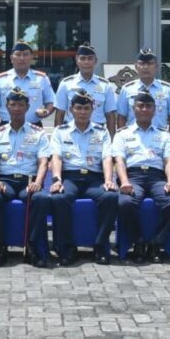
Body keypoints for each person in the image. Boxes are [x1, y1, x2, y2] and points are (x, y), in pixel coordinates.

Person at [0, 87, 52, 267]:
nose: (17, 108)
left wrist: (38, 183)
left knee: (41, 199)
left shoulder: (38, 133)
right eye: (13, 104)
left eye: (21, 105)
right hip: (5, 180)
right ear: (6, 107)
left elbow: (43, 162)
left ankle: (33, 246)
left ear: (27, 107)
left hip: (29, 181)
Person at [48, 89, 118, 265]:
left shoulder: (101, 132)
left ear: (92, 109)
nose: (82, 112)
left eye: (86, 108)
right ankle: (66, 247)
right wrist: (56, 180)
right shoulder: (60, 132)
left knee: (110, 196)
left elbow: (106, 158)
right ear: (71, 109)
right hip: (70, 177)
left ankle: (100, 246)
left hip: (94, 179)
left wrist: (109, 180)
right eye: (78, 108)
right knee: (60, 197)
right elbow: (56, 158)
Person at [112, 90, 170, 264]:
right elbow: (119, 161)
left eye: (148, 106)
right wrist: (125, 181)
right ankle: (138, 241)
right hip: (133, 176)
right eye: (140, 106)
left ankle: (157, 242)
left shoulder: (164, 135)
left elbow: (169, 161)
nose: (144, 109)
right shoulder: (122, 134)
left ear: (154, 110)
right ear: (133, 109)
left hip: (157, 177)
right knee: (124, 203)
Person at [0, 42, 55, 130]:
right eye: (18, 54)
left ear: (31, 57)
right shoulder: (0, 79)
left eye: (25, 54)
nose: (22, 58)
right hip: (6, 127)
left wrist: (47, 111)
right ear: (11, 58)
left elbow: (51, 101)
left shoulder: (41, 78)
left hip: (34, 128)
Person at [53, 43, 117, 135]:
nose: (86, 62)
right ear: (77, 60)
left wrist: (111, 141)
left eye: (90, 58)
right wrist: (58, 138)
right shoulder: (66, 84)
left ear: (95, 61)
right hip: (71, 133)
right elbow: (60, 114)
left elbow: (110, 116)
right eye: (82, 58)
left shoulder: (105, 85)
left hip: (98, 134)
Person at [115, 48, 170, 133]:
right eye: (142, 63)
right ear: (136, 66)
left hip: (160, 139)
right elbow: (121, 117)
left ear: (156, 66)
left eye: (149, 64)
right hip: (133, 139)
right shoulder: (127, 89)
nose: (145, 67)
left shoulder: (167, 89)